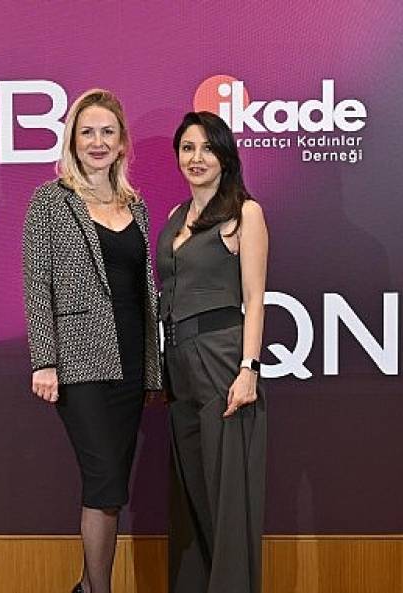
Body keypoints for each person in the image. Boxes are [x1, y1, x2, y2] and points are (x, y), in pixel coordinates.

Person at [22, 89, 161, 593]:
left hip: (130, 362)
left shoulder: (136, 207)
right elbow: (37, 283)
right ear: (73, 141)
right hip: (79, 364)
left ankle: (86, 587)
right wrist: (44, 360)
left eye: (107, 132)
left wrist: (152, 370)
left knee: (112, 487)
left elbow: (143, 289)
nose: (97, 142)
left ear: (122, 142)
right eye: (87, 132)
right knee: (103, 481)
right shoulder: (49, 201)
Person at [156, 111, 269, 593]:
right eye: (187, 148)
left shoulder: (245, 213)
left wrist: (249, 369)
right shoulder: (173, 217)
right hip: (178, 366)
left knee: (227, 499)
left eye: (207, 148)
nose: (196, 157)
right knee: (193, 494)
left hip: (222, 360)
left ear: (225, 155)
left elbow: (255, 297)